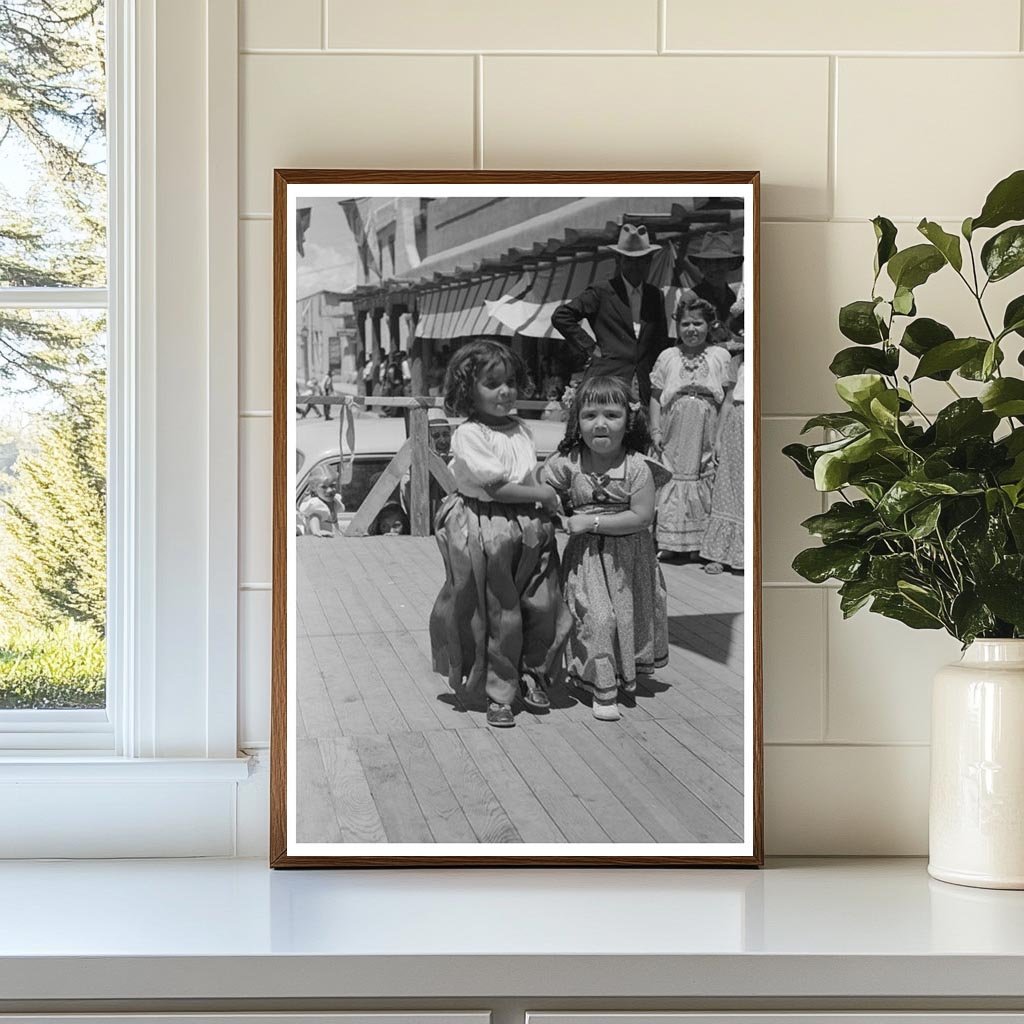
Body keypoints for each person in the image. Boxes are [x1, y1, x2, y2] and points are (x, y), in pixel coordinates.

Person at [429, 339, 568, 729]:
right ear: (468, 390)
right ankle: (499, 692)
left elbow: (527, 473)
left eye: (510, 382)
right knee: (498, 612)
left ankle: (532, 672)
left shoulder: (521, 427)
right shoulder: (470, 434)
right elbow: (496, 487)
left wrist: (546, 496)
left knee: (540, 604)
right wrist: (541, 494)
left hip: (527, 525)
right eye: (492, 384)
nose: (505, 391)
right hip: (489, 527)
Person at [542, 376, 670, 721]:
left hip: (628, 559)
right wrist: (555, 505)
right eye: (590, 415)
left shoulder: (638, 467)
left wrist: (591, 522)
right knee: (599, 618)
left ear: (628, 421)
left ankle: (618, 674)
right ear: (577, 421)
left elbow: (641, 516)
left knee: (624, 618)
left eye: (611, 415)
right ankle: (603, 689)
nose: (600, 424)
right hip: (585, 559)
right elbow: (541, 485)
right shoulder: (570, 460)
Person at [649, 297, 733, 561]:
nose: (691, 329)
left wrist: (720, 436)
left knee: (703, 475)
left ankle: (699, 542)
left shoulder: (720, 356)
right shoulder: (668, 356)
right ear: (677, 326)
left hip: (706, 425)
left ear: (710, 325)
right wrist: (655, 430)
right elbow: (655, 395)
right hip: (674, 424)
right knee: (672, 476)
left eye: (698, 323)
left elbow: (728, 400)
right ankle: (670, 541)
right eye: (685, 323)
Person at [551, 223, 669, 408]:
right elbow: (562, 316)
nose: (636, 266)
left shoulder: (655, 295)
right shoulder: (602, 292)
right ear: (618, 260)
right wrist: (590, 347)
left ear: (650, 261)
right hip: (607, 380)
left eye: (642, 260)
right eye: (630, 260)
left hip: (645, 385)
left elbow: (660, 339)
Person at [700, 348, 745, 574]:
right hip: (736, 426)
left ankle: (745, 556)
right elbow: (728, 401)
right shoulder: (737, 362)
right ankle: (720, 553)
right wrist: (718, 438)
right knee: (728, 485)